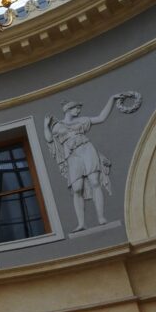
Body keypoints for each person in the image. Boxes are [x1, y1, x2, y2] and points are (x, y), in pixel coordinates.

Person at [44, 95, 123, 232]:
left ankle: (101, 217)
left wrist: (112, 98)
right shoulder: (57, 126)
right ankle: (81, 224)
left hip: (87, 149)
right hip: (72, 155)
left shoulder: (82, 120)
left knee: (95, 182)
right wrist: (46, 126)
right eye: (76, 108)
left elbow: (101, 117)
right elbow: (49, 139)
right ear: (68, 109)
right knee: (77, 188)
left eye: (79, 109)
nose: (78, 111)